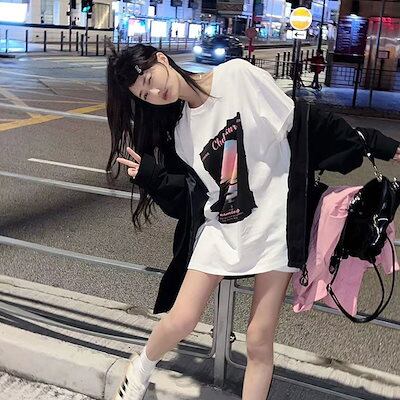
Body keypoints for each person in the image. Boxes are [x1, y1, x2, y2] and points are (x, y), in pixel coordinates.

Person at [106, 43, 400, 400]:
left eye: (150, 80)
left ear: (162, 60)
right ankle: (140, 368)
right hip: (222, 230)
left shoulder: (237, 76)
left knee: (259, 339)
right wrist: (151, 175)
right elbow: (194, 197)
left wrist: (377, 143)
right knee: (181, 319)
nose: (154, 92)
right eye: (144, 95)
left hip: (275, 226)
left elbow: (306, 124)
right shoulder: (182, 134)